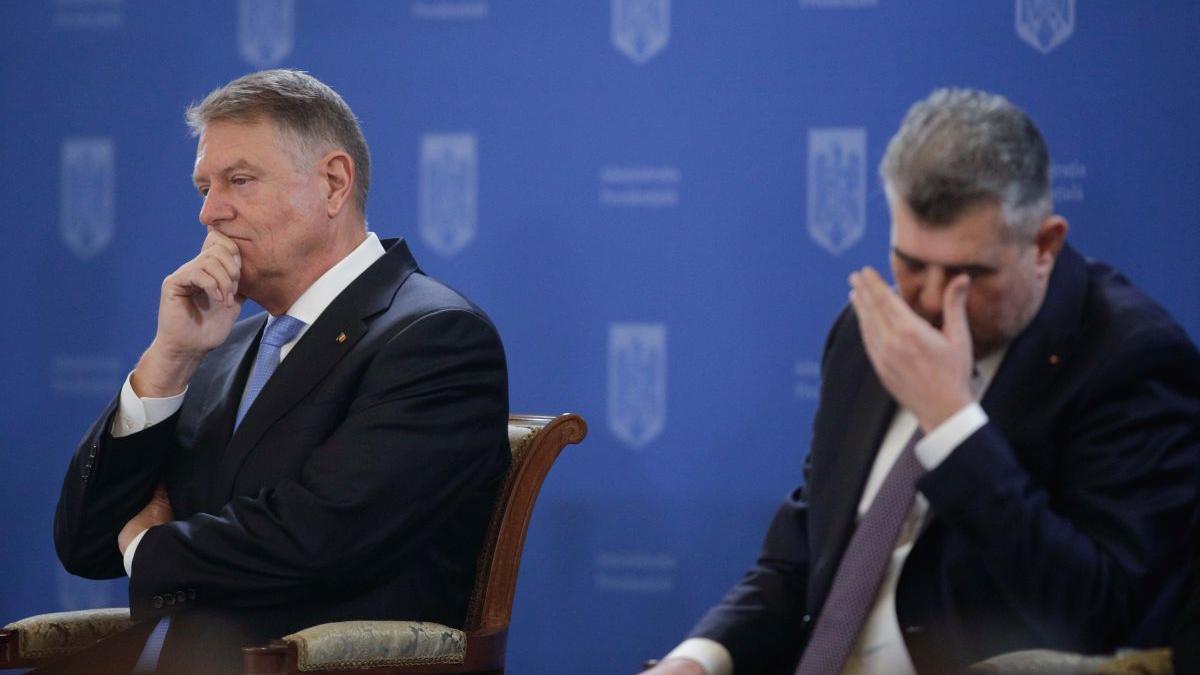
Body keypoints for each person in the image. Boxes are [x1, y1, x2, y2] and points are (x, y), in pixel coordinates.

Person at [647, 89, 1200, 675]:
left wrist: (954, 427)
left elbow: (1105, 616)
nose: (932, 301)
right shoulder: (868, 333)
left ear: (1044, 245)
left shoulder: (1130, 360)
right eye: (910, 264)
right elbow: (805, 556)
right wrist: (700, 659)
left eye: (967, 274)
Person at [49, 69, 510, 674]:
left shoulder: (433, 338)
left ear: (333, 183)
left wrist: (147, 547)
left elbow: (319, 538)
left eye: (239, 180)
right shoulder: (220, 348)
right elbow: (85, 542)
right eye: (204, 187)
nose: (210, 212)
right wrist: (168, 361)